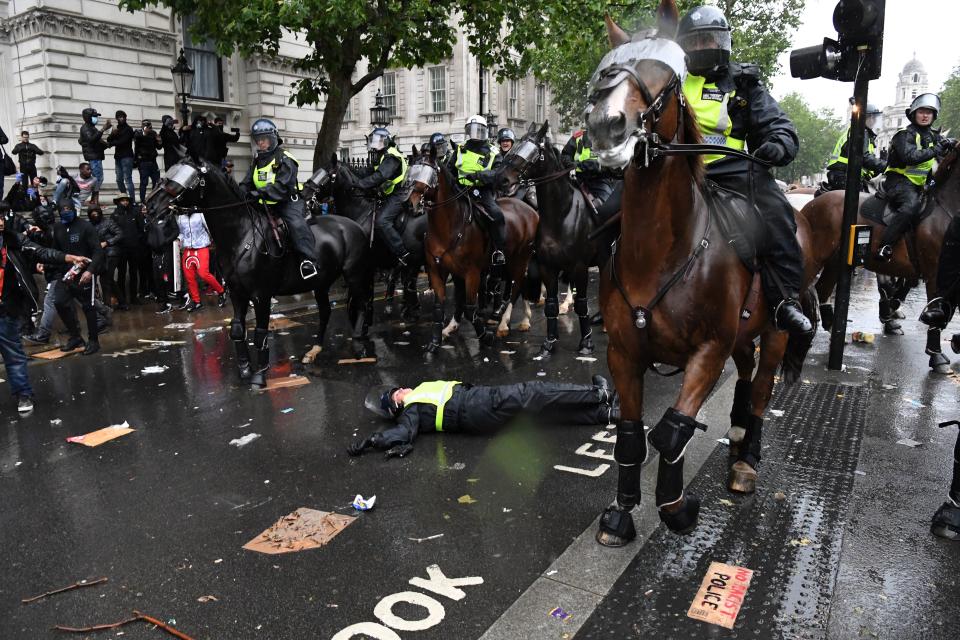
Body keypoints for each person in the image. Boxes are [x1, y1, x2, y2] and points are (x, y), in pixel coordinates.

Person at [677, 5, 810, 335]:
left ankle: (784, 301)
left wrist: (778, 143)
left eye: (708, 40)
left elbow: (778, 123)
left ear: (721, 42)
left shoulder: (744, 82)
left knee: (777, 215)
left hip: (732, 170)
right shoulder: (672, 79)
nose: (702, 47)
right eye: (694, 42)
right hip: (677, 168)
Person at [348, 375, 619, 458]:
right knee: (533, 392)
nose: (401, 389)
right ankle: (598, 395)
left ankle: (603, 414)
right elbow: (404, 433)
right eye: (396, 394)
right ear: (396, 406)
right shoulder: (411, 410)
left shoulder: (418, 393)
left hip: (476, 407)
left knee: (539, 414)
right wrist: (373, 440)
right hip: (476, 406)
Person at [0, 202, 91, 412]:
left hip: (7, 309)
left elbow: (41, 252)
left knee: (13, 355)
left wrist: (68, 257)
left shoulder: (13, 241)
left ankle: (23, 395)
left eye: (3, 217)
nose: (1, 222)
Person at [876, 93, 953, 260]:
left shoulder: (933, 135)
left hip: (921, 184)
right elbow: (909, 157)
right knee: (911, 206)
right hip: (898, 182)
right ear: (913, 114)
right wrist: (937, 149)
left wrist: (952, 144)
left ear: (934, 116)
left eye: (929, 112)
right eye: (921, 112)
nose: (925, 115)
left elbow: (944, 150)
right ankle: (885, 246)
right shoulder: (904, 134)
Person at [240, 118, 319, 279]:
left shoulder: (286, 158)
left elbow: (283, 187)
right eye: (258, 140)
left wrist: (260, 193)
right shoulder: (257, 160)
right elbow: (247, 182)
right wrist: (240, 193)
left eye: (264, 139)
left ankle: (308, 261)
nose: (261, 143)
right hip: (263, 204)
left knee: (296, 224)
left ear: (273, 138)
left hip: (287, 202)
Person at [448, 115, 507, 265]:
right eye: (471, 130)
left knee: (496, 214)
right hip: (459, 189)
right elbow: (449, 170)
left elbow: (498, 173)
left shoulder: (493, 151)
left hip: (481, 190)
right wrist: (452, 182)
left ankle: (498, 250)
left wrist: (478, 176)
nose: (475, 134)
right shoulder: (460, 148)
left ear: (484, 132)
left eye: (478, 130)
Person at [50, 200, 105, 355]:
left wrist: (90, 271)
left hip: (84, 273)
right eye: (63, 209)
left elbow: (98, 251)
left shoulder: (85, 227)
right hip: (66, 275)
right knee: (59, 302)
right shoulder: (58, 227)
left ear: (74, 209)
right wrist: (46, 265)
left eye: (68, 209)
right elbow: (56, 252)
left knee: (88, 307)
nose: (66, 211)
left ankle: (93, 341)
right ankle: (75, 337)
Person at [352, 127, 410, 265]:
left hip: (399, 194)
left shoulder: (391, 155)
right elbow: (367, 171)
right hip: (387, 194)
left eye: (378, 140)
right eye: (374, 140)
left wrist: (360, 184)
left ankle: (402, 253)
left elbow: (381, 176)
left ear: (385, 141)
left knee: (382, 221)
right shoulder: (381, 156)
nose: (375, 143)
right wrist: (350, 175)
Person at [824, 104, 885, 192]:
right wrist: (886, 165)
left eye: (874, 118)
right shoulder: (859, 133)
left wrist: (881, 162)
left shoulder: (865, 135)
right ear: (863, 118)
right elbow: (865, 158)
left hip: (851, 175)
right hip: (843, 175)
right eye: (871, 117)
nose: (874, 121)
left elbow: (866, 165)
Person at [176, 208, 225, 311]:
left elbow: (209, 228)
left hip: (202, 247)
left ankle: (221, 292)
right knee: (189, 277)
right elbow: (181, 233)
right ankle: (196, 301)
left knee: (204, 274)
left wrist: (213, 241)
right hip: (188, 249)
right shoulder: (180, 217)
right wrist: (179, 239)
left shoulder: (200, 214)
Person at [561, 129, 616, 207]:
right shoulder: (579, 136)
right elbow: (565, 155)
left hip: (600, 182)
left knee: (607, 207)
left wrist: (586, 165)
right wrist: (569, 163)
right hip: (577, 180)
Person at [111, 194, 145, 307]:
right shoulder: (114, 215)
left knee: (134, 273)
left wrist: (137, 240)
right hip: (121, 249)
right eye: (122, 201)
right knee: (121, 273)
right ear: (118, 202)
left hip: (134, 248)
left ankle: (134, 297)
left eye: (126, 200)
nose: (125, 202)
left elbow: (141, 229)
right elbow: (112, 232)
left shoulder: (135, 213)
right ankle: (122, 299)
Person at [145, 203, 180, 314]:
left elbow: (176, 231)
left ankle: (175, 297)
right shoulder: (151, 219)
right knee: (157, 277)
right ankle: (163, 301)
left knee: (167, 277)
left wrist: (167, 241)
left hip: (166, 251)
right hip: (155, 252)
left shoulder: (169, 217)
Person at [88, 206, 123, 308]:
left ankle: (108, 305)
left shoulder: (108, 222)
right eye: (92, 214)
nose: (95, 215)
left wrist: (107, 242)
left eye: (97, 213)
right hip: (99, 255)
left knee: (105, 279)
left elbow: (120, 234)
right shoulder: (89, 225)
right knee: (109, 280)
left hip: (111, 253)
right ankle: (122, 302)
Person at [78, 108, 111, 205]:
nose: (96, 118)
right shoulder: (85, 128)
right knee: (97, 179)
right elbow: (91, 140)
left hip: (96, 156)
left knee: (98, 178)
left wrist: (108, 144)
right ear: (87, 117)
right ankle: (92, 199)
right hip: (93, 157)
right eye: (94, 116)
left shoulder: (92, 128)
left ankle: (94, 199)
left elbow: (98, 141)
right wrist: (103, 129)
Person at [107, 110, 136, 202]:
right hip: (118, 157)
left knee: (128, 179)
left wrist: (111, 143)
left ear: (125, 117)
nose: (121, 118)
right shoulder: (116, 128)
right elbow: (108, 139)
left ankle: (132, 201)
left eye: (123, 116)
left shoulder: (128, 129)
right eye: (119, 117)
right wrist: (113, 133)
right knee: (119, 180)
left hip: (127, 157)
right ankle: (125, 198)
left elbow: (123, 141)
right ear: (117, 118)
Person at [134, 120, 163, 203]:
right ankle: (142, 200)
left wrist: (159, 141)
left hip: (153, 161)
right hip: (143, 162)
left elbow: (159, 147)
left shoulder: (153, 133)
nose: (147, 127)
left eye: (149, 126)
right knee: (144, 182)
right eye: (145, 125)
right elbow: (137, 142)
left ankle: (153, 199)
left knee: (156, 181)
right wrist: (145, 133)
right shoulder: (138, 133)